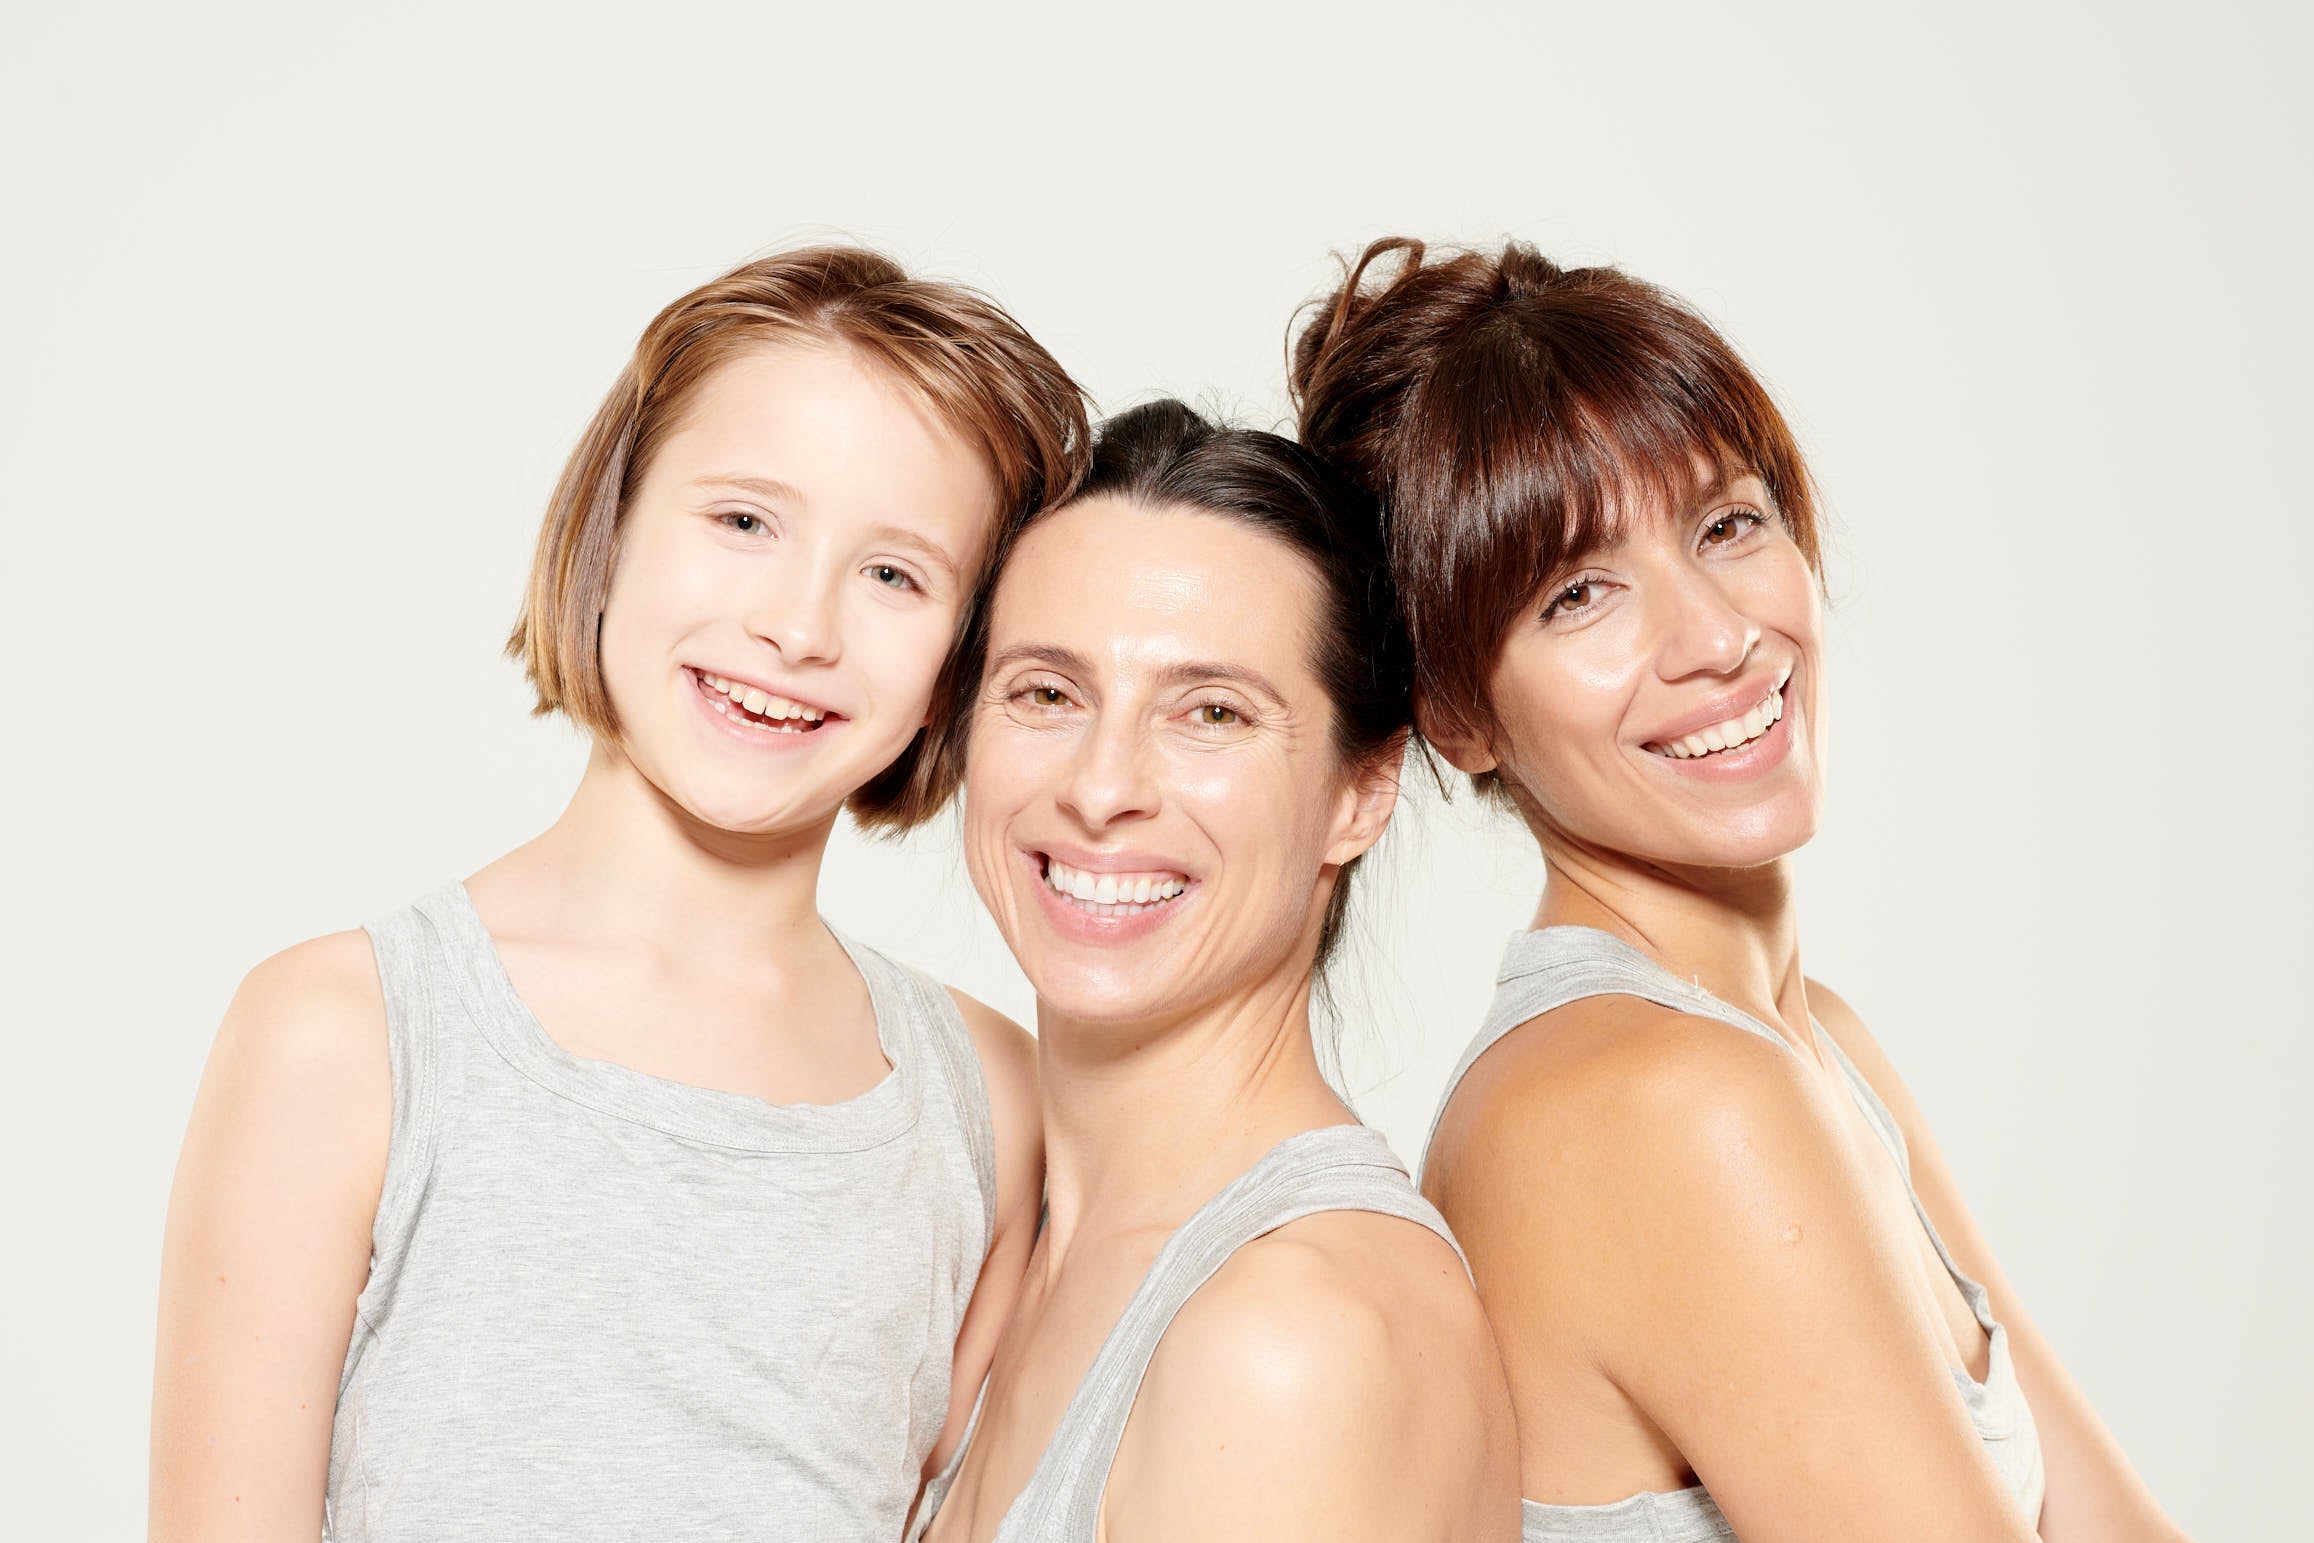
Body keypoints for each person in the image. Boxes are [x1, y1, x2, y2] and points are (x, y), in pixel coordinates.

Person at [150, 246, 1088, 1543]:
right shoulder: (348, 1030)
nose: (797, 625)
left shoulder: (992, 1100)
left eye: (893, 573)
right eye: (745, 520)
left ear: (963, 655)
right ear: (613, 525)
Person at [1292, 237, 2192, 1542]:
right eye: (1578, 593)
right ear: (1455, 712)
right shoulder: (1661, 1100)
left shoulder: (1811, 1041)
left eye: (1726, 523)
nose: (1715, 636)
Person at [915, 400, 1519, 1542]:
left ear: (1360, 790)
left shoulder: (1292, 1338)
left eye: (1210, 711)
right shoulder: (1000, 1247)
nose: (1101, 788)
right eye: (1047, 692)